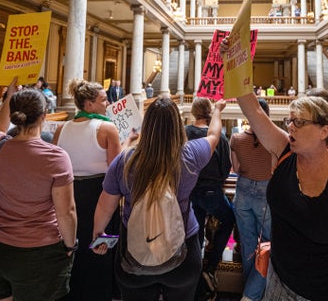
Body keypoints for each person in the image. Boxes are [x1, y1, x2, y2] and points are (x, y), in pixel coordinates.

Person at [222, 39, 328, 301]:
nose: (291, 127)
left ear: (324, 131)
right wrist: (234, 65)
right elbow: (254, 110)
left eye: (300, 122)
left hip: (324, 294)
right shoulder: (284, 152)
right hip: (277, 284)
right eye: (290, 121)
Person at [92, 96, 227, 300]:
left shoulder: (124, 161)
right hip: (182, 255)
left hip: (134, 256)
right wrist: (217, 110)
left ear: (147, 124)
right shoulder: (190, 155)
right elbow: (214, 136)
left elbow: (105, 206)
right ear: (177, 125)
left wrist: (98, 235)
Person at [0, 80, 77, 301]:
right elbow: (66, 212)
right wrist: (71, 245)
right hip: (39, 249)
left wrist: (10, 95)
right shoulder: (55, 156)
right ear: (44, 116)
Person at [54, 79, 121, 301]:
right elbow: (116, 170)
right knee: (99, 248)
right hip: (99, 196)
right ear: (89, 104)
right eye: (103, 100)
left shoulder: (62, 128)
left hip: (67, 195)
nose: (108, 103)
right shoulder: (107, 128)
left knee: (71, 245)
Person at [186, 97, 234, 298]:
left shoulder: (185, 132)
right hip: (212, 191)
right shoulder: (218, 137)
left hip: (190, 191)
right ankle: (212, 265)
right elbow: (226, 166)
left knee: (195, 231)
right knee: (229, 219)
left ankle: (195, 274)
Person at [230, 98, 274, 301]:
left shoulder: (236, 139)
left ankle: (249, 292)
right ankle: (252, 294)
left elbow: (237, 169)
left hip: (243, 192)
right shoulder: (274, 141)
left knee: (248, 246)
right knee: (269, 246)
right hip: (265, 192)